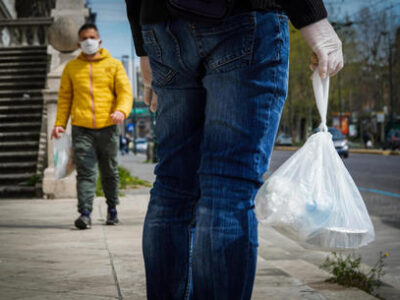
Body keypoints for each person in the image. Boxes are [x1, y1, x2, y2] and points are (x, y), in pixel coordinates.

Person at [126, 1, 343, 299]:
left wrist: (142, 44)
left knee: (172, 187)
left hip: (162, 23)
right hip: (243, 13)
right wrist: (311, 16)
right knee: (227, 187)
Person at [51, 24, 133, 230]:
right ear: (79, 44)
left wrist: (121, 111)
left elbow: (125, 92)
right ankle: (85, 213)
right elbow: (64, 99)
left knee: (110, 171)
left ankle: (112, 208)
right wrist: (60, 124)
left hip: (109, 127)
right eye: (85, 38)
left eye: (92, 37)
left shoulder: (113, 65)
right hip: (82, 128)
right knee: (86, 173)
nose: (89, 41)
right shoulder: (71, 68)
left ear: (99, 41)